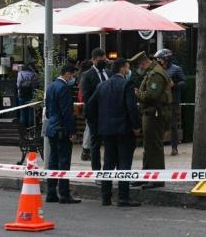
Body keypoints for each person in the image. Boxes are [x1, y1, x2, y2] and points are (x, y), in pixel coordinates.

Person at [86, 58, 142, 207]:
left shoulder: (102, 85)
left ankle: (106, 197)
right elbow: (132, 108)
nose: (128, 71)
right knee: (124, 164)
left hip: (106, 131)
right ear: (123, 69)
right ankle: (123, 197)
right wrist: (136, 126)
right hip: (124, 131)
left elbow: (89, 106)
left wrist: (97, 125)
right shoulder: (127, 84)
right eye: (128, 68)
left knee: (108, 164)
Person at [43, 64, 81, 204]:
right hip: (62, 129)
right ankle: (64, 194)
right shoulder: (64, 88)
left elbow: (47, 110)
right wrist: (72, 131)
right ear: (67, 74)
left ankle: (51, 192)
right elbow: (67, 113)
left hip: (52, 128)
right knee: (64, 161)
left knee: (53, 161)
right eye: (72, 75)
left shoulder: (51, 86)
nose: (73, 78)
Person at [135, 52, 172, 189]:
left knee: (155, 146)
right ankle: (146, 176)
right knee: (148, 146)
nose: (140, 68)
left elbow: (152, 96)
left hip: (155, 114)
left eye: (140, 65)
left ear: (143, 63)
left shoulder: (155, 74)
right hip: (150, 113)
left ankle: (157, 179)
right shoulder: (152, 72)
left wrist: (137, 94)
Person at [79, 48, 109, 165]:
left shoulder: (108, 73)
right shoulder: (87, 75)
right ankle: (96, 171)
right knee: (95, 144)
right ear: (93, 60)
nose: (103, 61)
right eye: (99, 60)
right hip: (94, 115)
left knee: (109, 144)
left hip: (108, 115)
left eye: (104, 59)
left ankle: (107, 171)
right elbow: (87, 98)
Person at [155, 49, 185, 156]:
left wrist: (174, 85)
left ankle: (174, 147)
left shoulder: (176, 69)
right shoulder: (158, 69)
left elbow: (184, 82)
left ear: (166, 59)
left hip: (172, 101)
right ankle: (158, 147)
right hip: (160, 100)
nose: (159, 61)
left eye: (160, 59)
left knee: (172, 124)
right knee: (159, 124)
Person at [16, 62, 40, 126]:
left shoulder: (20, 74)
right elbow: (36, 85)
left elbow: (18, 85)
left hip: (21, 95)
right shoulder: (34, 75)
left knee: (22, 112)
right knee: (31, 112)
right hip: (31, 95)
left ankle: (23, 128)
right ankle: (31, 128)